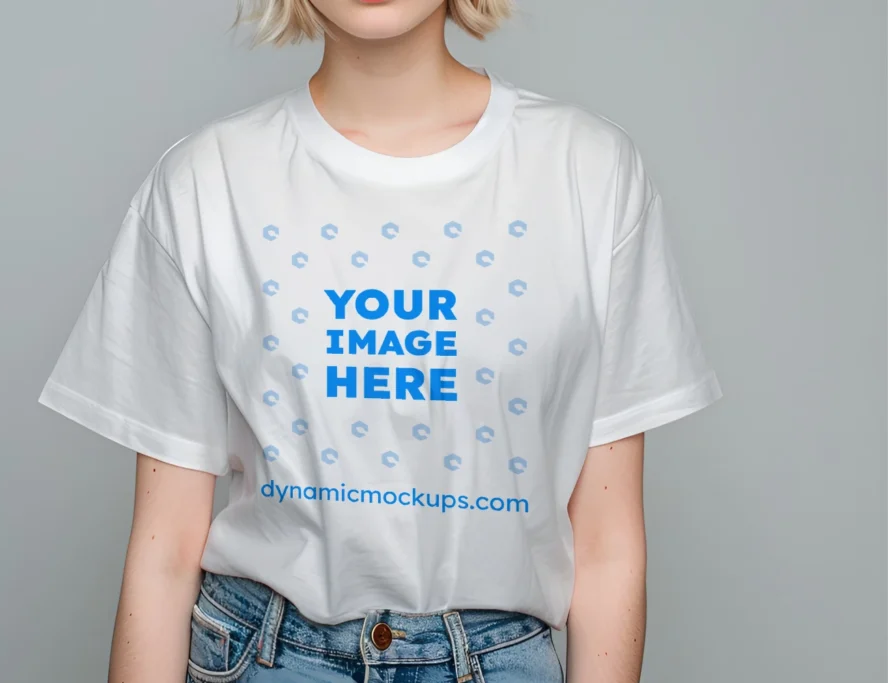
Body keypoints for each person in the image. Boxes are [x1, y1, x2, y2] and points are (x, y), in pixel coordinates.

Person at [38, 1, 722, 681]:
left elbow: (607, 543)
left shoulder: (590, 174)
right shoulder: (205, 182)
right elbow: (164, 549)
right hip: (263, 657)